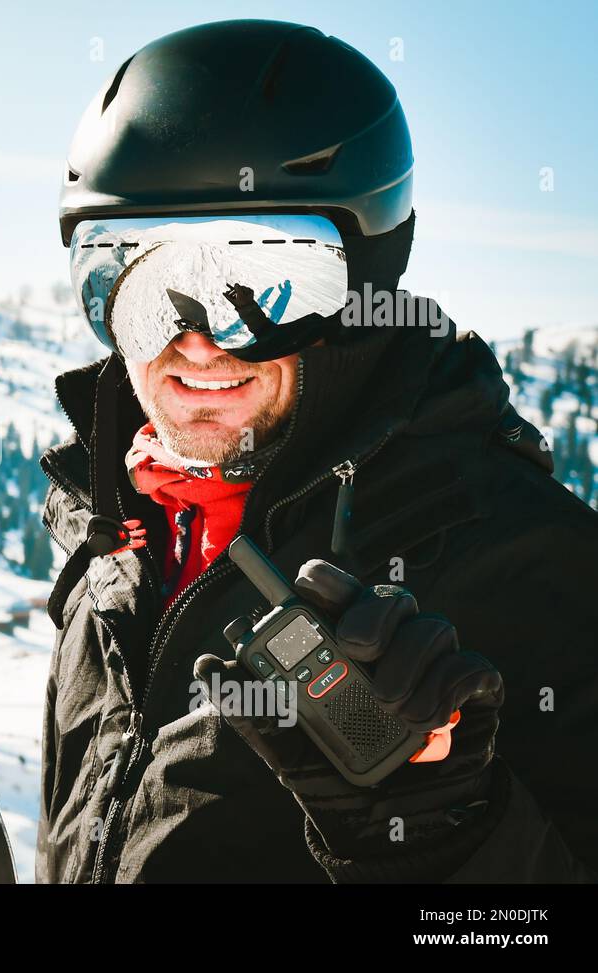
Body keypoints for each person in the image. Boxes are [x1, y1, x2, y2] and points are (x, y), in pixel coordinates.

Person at [37, 19, 598, 883]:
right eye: (132, 277)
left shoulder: (527, 560)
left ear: (364, 283)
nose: (191, 344)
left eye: (256, 283)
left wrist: (442, 831)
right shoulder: (112, 525)